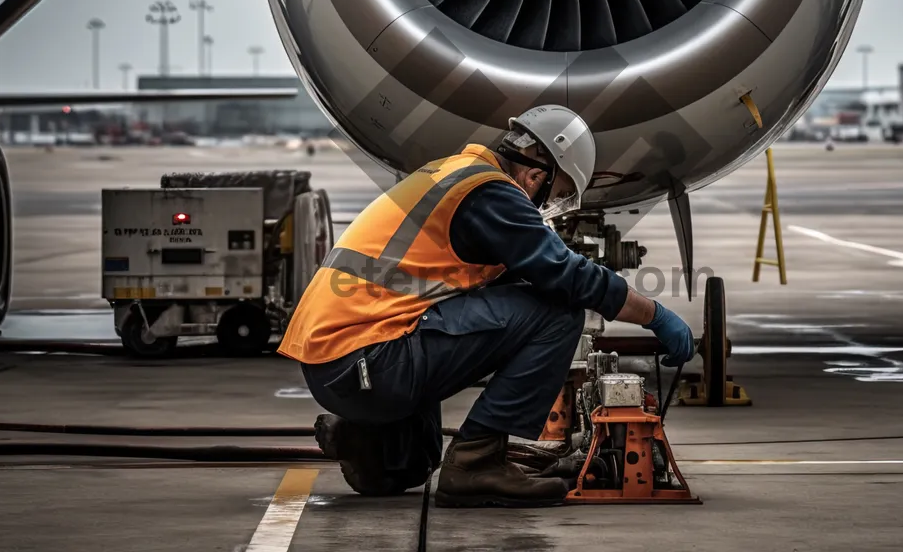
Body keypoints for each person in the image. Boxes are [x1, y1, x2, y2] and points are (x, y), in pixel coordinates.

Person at [277, 105, 695, 508]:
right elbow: (567, 277)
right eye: (558, 194)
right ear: (536, 175)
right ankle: (476, 463)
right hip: (372, 358)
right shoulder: (491, 192)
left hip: (336, 365)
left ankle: (363, 437)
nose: (546, 206)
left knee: (414, 463)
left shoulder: (454, 174)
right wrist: (654, 315)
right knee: (558, 312)